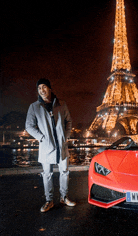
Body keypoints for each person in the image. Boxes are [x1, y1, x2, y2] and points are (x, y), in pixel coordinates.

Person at [25, 78, 76, 212]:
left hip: (61, 146)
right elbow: (29, 126)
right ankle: (49, 200)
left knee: (64, 172)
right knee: (47, 174)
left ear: (50, 88)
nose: (42, 90)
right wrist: (41, 138)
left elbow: (68, 121)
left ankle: (64, 197)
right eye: (39, 88)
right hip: (46, 146)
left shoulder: (61, 104)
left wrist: (66, 136)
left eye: (44, 87)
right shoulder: (34, 107)